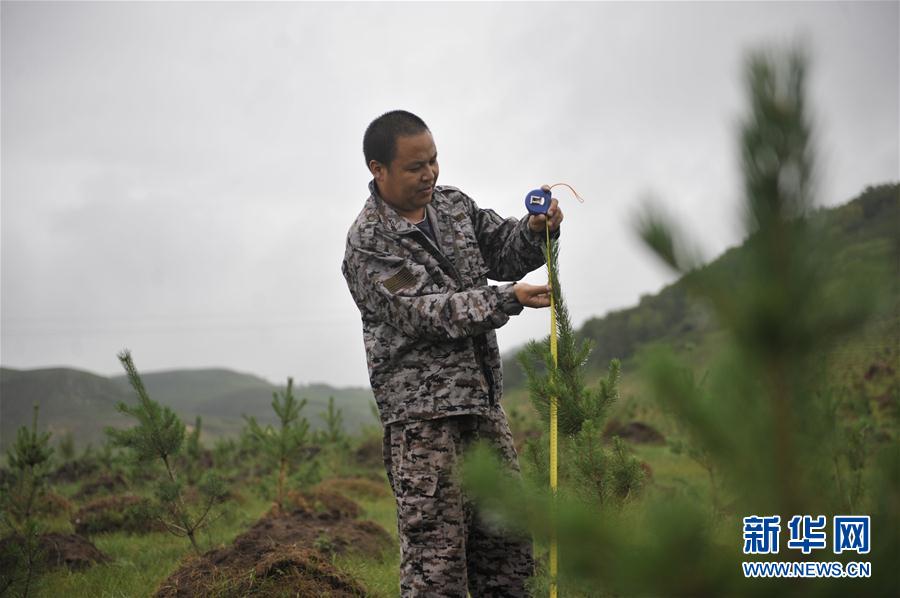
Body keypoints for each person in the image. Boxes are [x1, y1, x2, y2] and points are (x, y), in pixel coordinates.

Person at [342, 110, 563, 597]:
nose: (430, 174)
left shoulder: (454, 207)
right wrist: (506, 298)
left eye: (434, 161)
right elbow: (424, 312)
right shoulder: (369, 244)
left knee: (506, 550)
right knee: (435, 564)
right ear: (378, 170)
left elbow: (504, 249)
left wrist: (533, 229)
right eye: (415, 167)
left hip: (483, 407)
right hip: (422, 422)